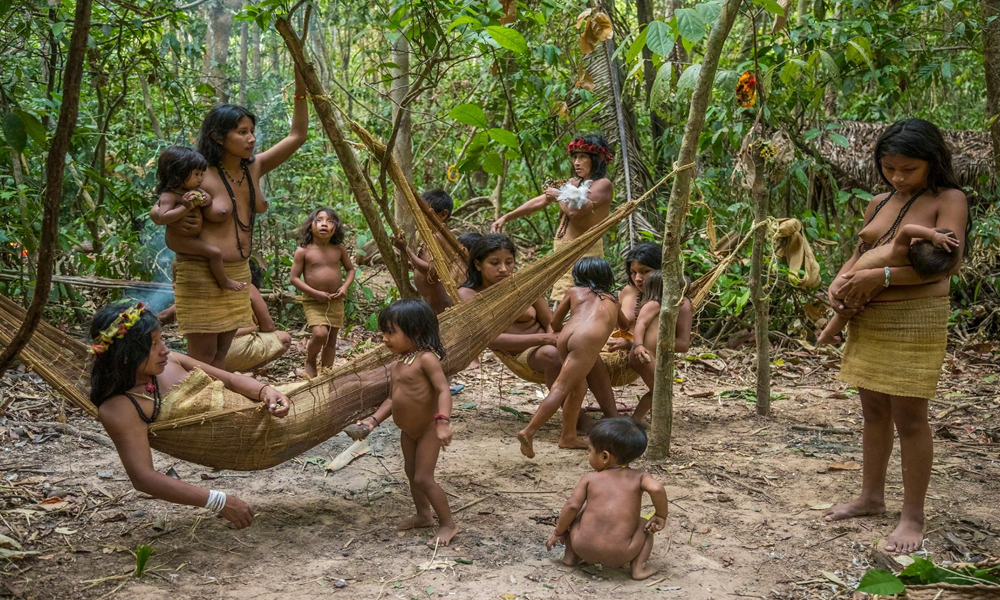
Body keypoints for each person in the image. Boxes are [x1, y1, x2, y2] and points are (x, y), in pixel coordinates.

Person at [822, 119, 970, 554]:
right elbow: (859, 251)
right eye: (889, 168)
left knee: (909, 417)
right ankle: (871, 496)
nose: (898, 177)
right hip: (868, 316)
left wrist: (882, 276)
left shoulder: (949, 199)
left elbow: (947, 265)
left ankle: (912, 516)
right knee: (872, 409)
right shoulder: (879, 201)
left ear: (932, 161)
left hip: (915, 315)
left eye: (908, 168)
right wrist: (839, 282)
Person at [150, 70, 309, 368]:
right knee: (203, 357)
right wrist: (175, 233)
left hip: (238, 273)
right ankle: (193, 409)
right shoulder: (197, 174)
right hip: (202, 272)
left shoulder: (254, 167)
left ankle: (216, 409)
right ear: (217, 137)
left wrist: (301, 87)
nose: (251, 138)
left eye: (252, 130)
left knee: (221, 356)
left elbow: (298, 136)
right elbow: (168, 215)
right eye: (242, 132)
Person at [90, 301, 289, 529]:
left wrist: (265, 390)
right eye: (153, 344)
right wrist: (218, 501)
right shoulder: (121, 408)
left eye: (161, 339)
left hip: (269, 411)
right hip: (255, 442)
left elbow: (230, 379)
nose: (164, 349)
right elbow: (143, 478)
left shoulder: (171, 361)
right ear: (126, 355)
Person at [457, 235, 618, 421]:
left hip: (549, 342)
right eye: (494, 263)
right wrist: (543, 340)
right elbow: (489, 340)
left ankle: (612, 416)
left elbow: (549, 322)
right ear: (478, 264)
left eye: (509, 262)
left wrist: (558, 339)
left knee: (587, 353)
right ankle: (577, 420)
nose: (503, 269)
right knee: (551, 354)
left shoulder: (524, 286)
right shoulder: (468, 294)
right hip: (522, 353)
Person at [348, 299, 457, 546]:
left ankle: (448, 524)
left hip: (428, 428)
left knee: (423, 478)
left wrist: (442, 422)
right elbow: (391, 399)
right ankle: (423, 515)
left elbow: (443, 391)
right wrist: (373, 422)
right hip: (408, 431)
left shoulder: (426, 359)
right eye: (383, 332)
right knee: (411, 473)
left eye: (390, 332)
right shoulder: (398, 363)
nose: (384, 338)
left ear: (415, 331)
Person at [516, 257, 627, 458]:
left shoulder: (574, 292)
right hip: (586, 339)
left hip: (566, 336)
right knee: (562, 387)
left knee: (579, 388)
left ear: (578, 276)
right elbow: (625, 325)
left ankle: (568, 437)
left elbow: (554, 322)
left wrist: (562, 330)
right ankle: (529, 431)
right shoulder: (613, 300)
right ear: (607, 277)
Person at [491, 134, 614, 302]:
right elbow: (543, 200)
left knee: (584, 297)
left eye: (583, 157)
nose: (576, 162)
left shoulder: (603, 185)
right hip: (563, 250)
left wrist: (559, 194)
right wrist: (507, 216)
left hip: (585, 252)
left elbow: (574, 211)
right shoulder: (573, 183)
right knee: (561, 298)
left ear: (597, 158)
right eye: (575, 157)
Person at [545, 418, 668, 580]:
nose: (588, 455)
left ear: (604, 456)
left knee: (576, 514)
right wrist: (660, 515)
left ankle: (570, 557)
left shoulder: (589, 478)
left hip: (581, 545)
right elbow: (657, 488)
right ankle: (638, 568)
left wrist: (559, 532)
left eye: (590, 450)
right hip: (621, 553)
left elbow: (571, 506)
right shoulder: (640, 477)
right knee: (645, 524)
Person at [817, 224, 960, 344]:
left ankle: (827, 335)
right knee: (843, 315)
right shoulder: (910, 266)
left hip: (843, 284)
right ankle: (827, 335)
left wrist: (932, 235)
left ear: (919, 241)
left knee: (843, 313)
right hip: (853, 288)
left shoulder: (900, 250)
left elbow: (907, 229)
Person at [157, 261, 292, 372]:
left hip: (197, 357)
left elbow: (164, 316)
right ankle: (237, 372)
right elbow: (268, 326)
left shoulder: (199, 291)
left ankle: (221, 375)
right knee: (283, 338)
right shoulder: (247, 287)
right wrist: (251, 327)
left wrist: (141, 324)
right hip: (233, 351)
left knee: (211, 353)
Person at [153, 146, 244, 292]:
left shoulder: (192, 191)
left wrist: (205, 199)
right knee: (215, 253)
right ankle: (223, 281)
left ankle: (176, 279)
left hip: (190, 238)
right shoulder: (169, 196)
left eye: (202, 174)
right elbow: (163, 217)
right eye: (196, 174)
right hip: (180, 240)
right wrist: (185, 207)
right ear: (179, 173)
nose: (200, 179)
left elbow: (206, 199)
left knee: (182, 257)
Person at [291, 208, 356, 377]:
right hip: (314, 301)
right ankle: (310, 360)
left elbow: (350, 270)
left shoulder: (338, 249)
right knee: (320, 334)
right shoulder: (303, 251)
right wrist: (314, 293)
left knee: (331, 339)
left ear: (336, 227)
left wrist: (344, 288)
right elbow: (294, 278)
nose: (324, 224)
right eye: (319, 220)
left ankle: (326, 371)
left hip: (335, 301)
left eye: (330, 221)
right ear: (310, 225)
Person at [629, 270, 692, 422]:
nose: (682, 298)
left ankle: (637, 418)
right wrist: (638, 345)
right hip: (644, 355)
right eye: (679, 293)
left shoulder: (669, 307)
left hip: (650, 355)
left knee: (659, 390)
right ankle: (642, 420)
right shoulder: (654, 304)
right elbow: (640, 324)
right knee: (661, 390)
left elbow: (683, 344)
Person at [392, 190, 467, 315]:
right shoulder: (428, 236)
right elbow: (427, 264)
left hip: (442, 306)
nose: (419, 218)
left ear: (443, 214)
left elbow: (433, 272)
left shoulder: (439, 237)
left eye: (424, 214)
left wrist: (405, 249)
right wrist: (411, 264)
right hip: (431, 304)